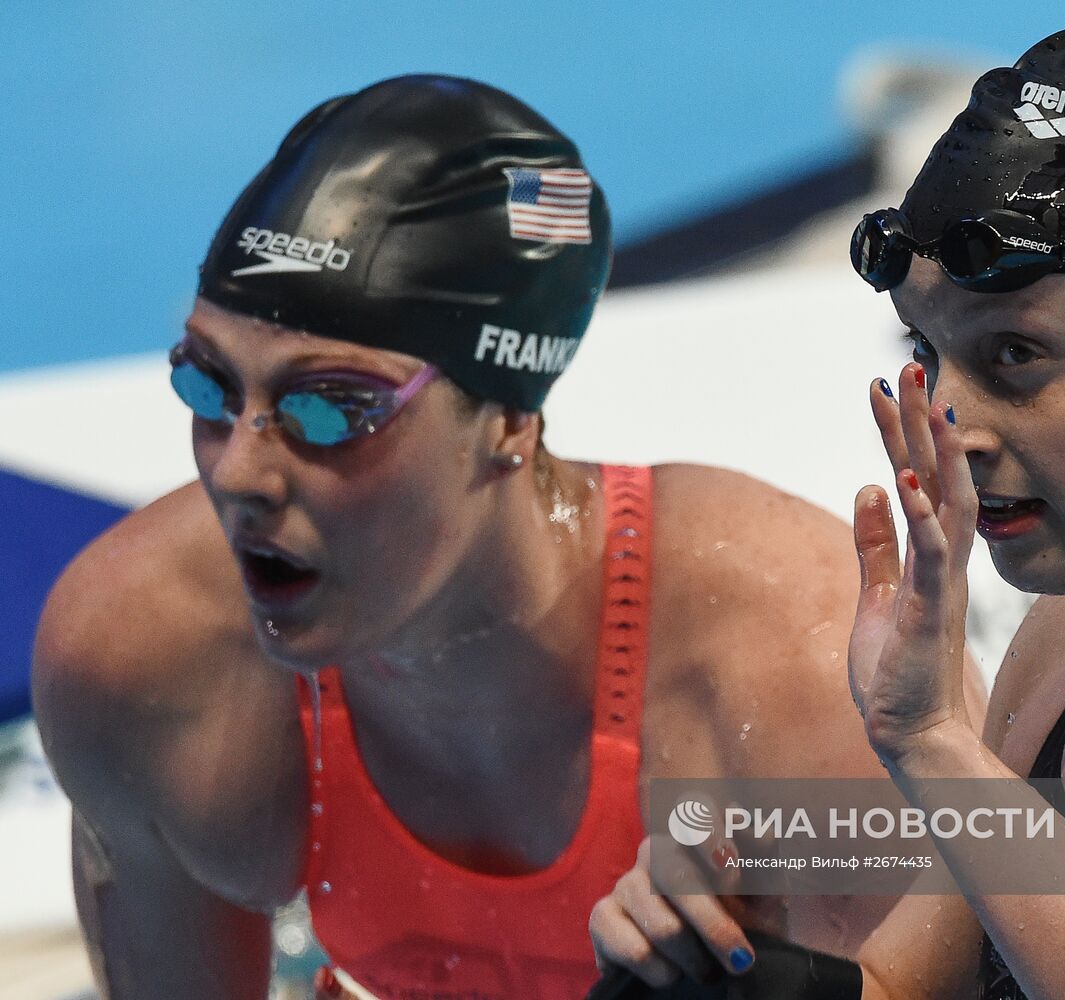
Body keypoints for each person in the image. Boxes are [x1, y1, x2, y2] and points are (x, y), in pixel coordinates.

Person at [30, 76, 986, 1000]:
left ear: (507, 422)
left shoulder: (796, 675)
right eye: (207, 385)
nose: (239, 473)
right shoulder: (144, 653)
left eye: (330, 410)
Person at [589, 23, 1065, 998]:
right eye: (931, 351)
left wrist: (937, 747)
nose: (955, 424)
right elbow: (906, 987)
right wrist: (733, 965)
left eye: (1017, 358)